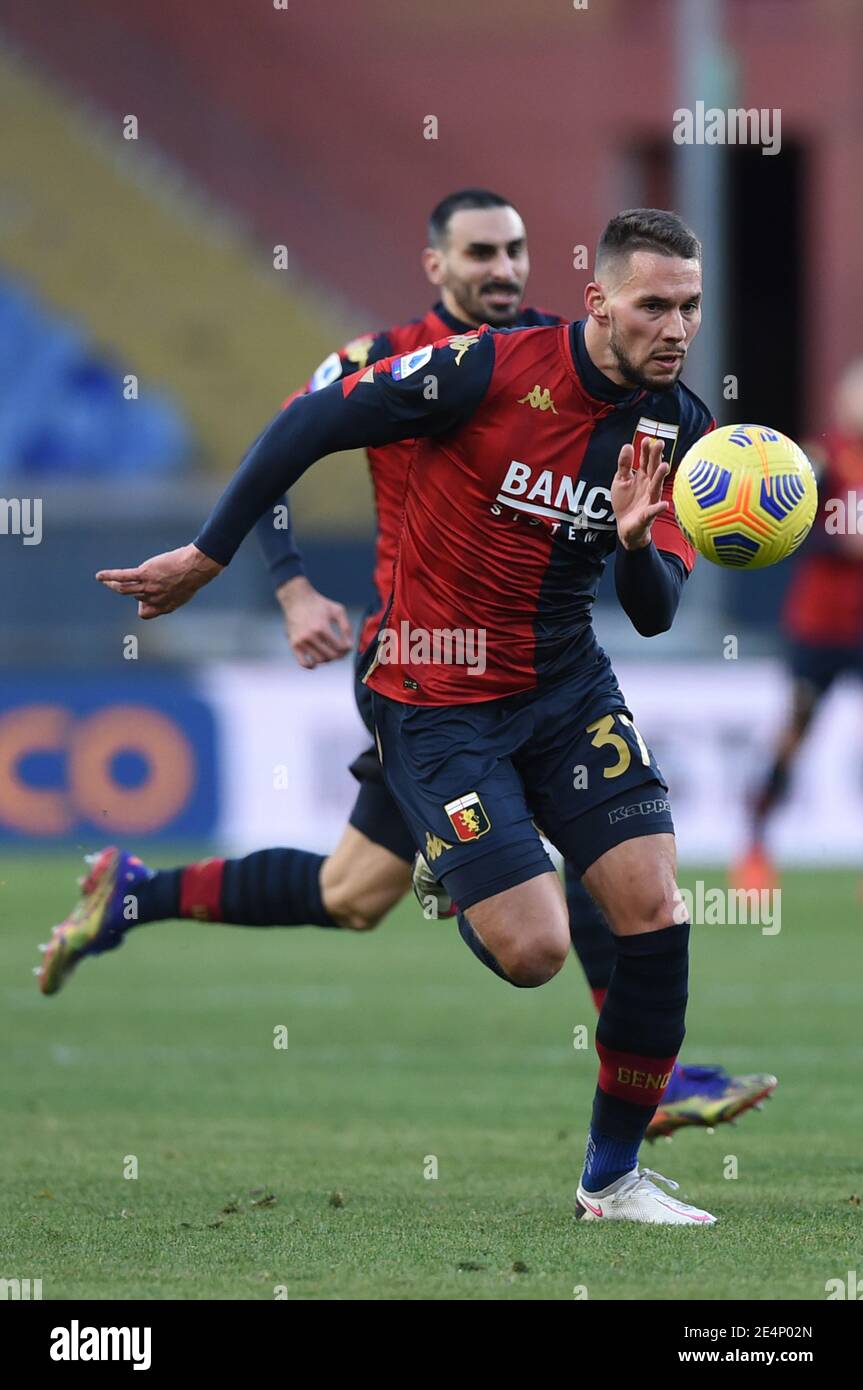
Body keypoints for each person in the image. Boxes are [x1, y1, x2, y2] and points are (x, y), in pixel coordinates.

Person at [41, 200, 773, 1162]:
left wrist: (637, 542)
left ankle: (133, 894)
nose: (503, 268)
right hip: (424, 669)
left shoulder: (667, 421)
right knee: (532, 923)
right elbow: (296, 433)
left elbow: (653, 606)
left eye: (515, 249)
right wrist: (272, 579)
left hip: (551, 682)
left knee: (354, 893)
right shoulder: (437, 364)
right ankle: (546, 948)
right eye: (481, 252)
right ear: (437, 265)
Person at [733, 359, 863, 890]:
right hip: (820, 623)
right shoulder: (819, 461)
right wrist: (842, 542)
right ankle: (756, 846)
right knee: (796, 731)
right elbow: (789, 527)